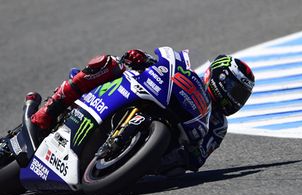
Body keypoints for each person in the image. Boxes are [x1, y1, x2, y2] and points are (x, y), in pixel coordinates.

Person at [30, 49, 255, 175]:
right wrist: (142, 58)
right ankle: (51, 108)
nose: (236, 99)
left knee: (177, 169)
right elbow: (161, 68)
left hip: (163, 149)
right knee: (110, 63)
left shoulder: (219, 125)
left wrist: (186, 154)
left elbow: (197, 159)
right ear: (219, 79)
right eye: (235, 90)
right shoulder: (190, 78)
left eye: (242, 96)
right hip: (146, 98)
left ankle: (126, 162)